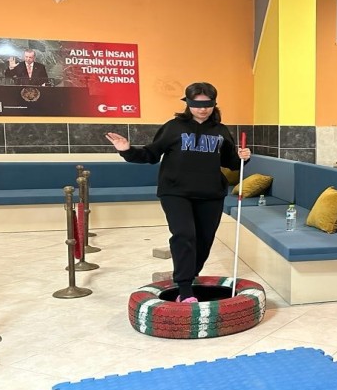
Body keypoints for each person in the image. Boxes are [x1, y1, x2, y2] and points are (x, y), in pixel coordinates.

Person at [105, 82, 251, 303]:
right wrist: (127, 150)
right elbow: (151, 154)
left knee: (204, 241)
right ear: (187, 103)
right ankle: (184, 289)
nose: (202, 109)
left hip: (211, 194)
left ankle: (190, 276)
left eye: (208, 104)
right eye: (197, 104)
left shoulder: (220, 130)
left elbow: (231, 162)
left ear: (214, 104)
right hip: (175, 192)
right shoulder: (173, 127)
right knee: (184, 235)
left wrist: (243, 157)